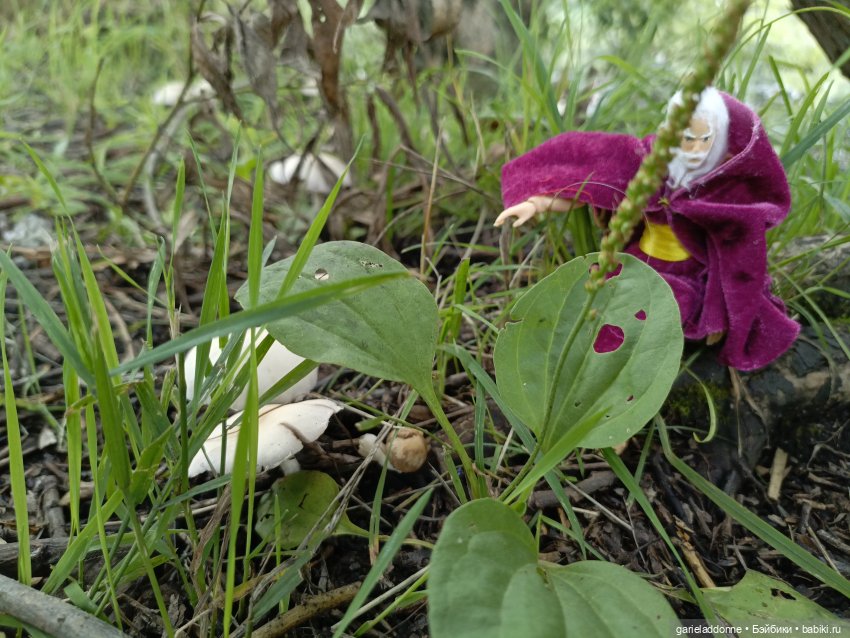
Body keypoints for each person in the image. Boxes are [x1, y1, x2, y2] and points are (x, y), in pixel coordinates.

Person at [495, 87, 800, 371]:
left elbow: (738, 263)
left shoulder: (722, 190)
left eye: (702, 139)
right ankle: (572, 365)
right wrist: (535, 202)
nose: (691, 148)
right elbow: (586, 183)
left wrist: (719, 318)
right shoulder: (646, 164)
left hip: (687, 273)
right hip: (636, 258)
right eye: (683, 137)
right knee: (592, 300)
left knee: (659, 314)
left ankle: (632, 372)